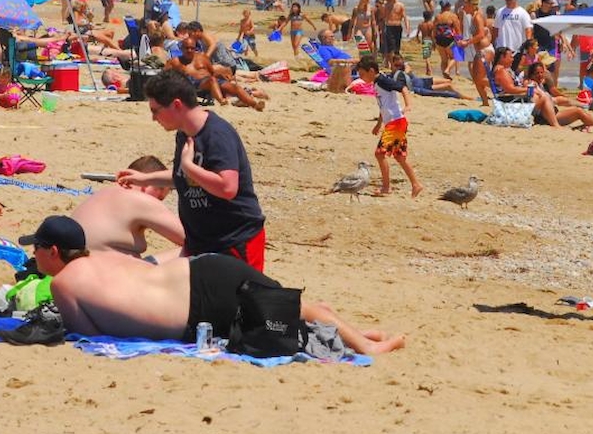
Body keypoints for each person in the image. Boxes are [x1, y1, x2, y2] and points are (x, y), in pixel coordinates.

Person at [27, 215, 404, 353]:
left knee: (284, 311)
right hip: (204, 271)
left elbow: (90, 337)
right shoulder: (101, 256)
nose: (35, 258)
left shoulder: (64, 284)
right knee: (286, 306)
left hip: (197, 310)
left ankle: (369, 348)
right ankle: (353, 331)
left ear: (54, 251)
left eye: (38, 250)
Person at [117, 70, 267, 270]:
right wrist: (145, 179)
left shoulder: (216, 134)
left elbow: (227, 187)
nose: (153, 118)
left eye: (155, 110)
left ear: (177, 105)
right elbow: (183, 177)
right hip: (201, 241)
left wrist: (189, 166)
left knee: (247, 299)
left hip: (234, 239)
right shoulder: (184, 133)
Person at [71, 155, 184, 258]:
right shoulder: (139, 200)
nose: (158, 202)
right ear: (145, 182)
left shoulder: (102, 194)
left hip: (69, 270)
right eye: (159, 195)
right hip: (102, 274)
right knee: (193, 252)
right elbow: (192, 238)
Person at [357, 55, 422, 198]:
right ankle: (416, 185)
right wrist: (379, 124)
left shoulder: (383, 80)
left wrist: (409, 105)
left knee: (380, 154)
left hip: (396, 123)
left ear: (372, 71)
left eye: (362, 74)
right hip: (393, 123)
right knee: (400, 157)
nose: (361, 78)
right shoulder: (376, 83)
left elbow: (403, 88)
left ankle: (386, 187)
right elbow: (383, 106)